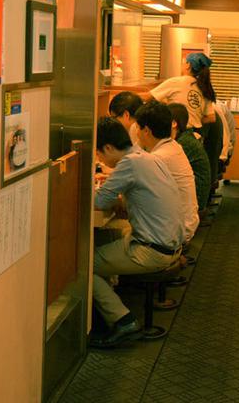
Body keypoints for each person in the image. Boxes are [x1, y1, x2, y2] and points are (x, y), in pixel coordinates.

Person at [91, 117, 186, 348]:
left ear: (108, 148)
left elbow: (99, 201)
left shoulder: (129, 164)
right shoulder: (148, 157)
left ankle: (123, 320)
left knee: (84, 265)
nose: (99, 160)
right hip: (171, 243)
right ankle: (108, 307)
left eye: (99, 154)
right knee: (111, 237)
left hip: (152, 250)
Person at [135, 102, 200, 242]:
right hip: (185, 223)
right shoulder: (174, 146)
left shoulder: (159, 158)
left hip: (175, 231)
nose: (135, 133)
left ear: (146, 130)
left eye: (137, 128)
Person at [146, 52, 216, 132]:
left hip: (178, 132)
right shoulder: (204, 87)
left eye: (183, 62)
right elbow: (211, 118)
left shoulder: (176, 82)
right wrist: (195, 120)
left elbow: (147, 97)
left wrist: (130, 94)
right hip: (196, 134)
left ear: (188, 65)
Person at [168, 103, 211, 215]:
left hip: (197, 198)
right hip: (197, 194)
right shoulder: (185, 137)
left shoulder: (183, 143)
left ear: (173, 123)